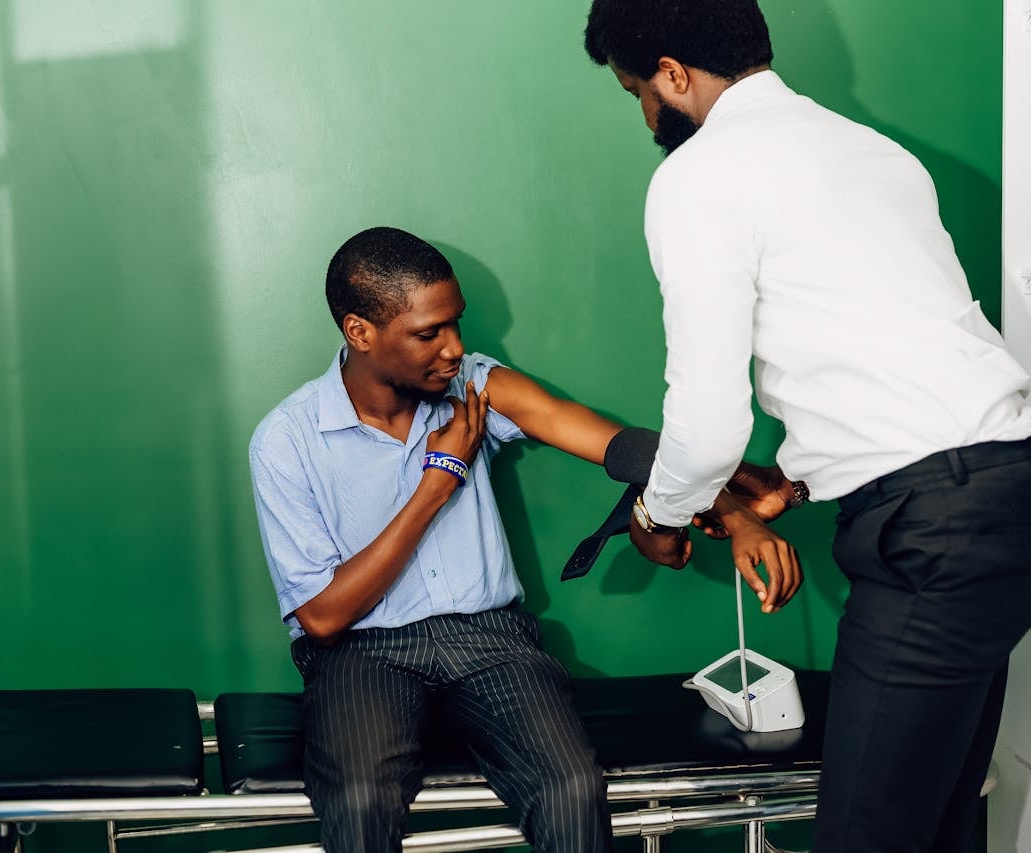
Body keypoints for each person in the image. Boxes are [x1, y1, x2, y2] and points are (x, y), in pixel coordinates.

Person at [582, 2, 1031, 852]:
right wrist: (807, 477)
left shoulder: (700, 176)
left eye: (636, 91)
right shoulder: (878, 156)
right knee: (939, 824)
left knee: (868, 836)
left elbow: (704, 425)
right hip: (1016, 499)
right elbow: (903, 358)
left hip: (935, 533)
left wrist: (655, 517)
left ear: (670, 74)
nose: (646, 115)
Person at [251, 225, 711, 852]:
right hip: (361, 653)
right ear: (360, 332)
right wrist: (438, 483)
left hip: (489, 640)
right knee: (359, 803)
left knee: (572, 788)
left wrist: (730, 500)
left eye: (455, 324)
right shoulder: (286, 440)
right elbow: (324, 618)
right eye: (428, 333)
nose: (454, 348)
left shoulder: (470, 384)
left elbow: (600, 438)